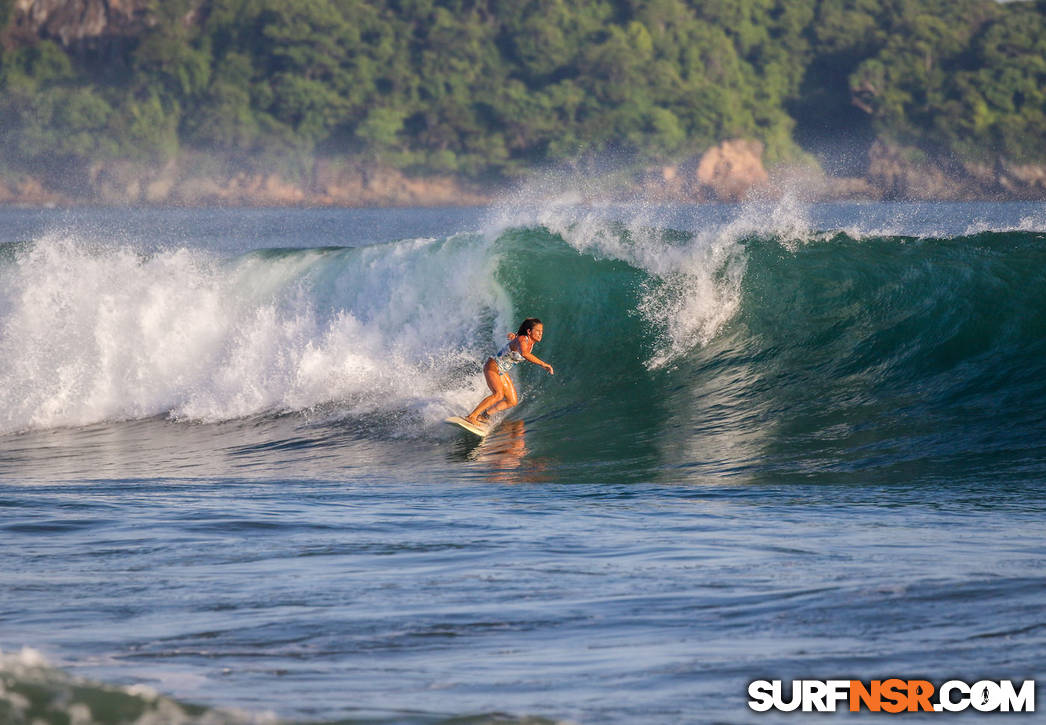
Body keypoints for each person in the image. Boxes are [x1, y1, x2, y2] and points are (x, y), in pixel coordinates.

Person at [465, 318, 553, 426]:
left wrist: (514, 336)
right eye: (538, 331)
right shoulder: (522, 340)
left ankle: (485, 415)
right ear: (529, 332)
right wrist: (543, 364)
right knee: (498, 394)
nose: (540, 334)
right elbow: (524, 353)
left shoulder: (527, 342)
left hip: (501, 370)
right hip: (493, 366)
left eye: (542, 331)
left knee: (512, 401)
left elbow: (517, 339)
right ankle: (472, 416)